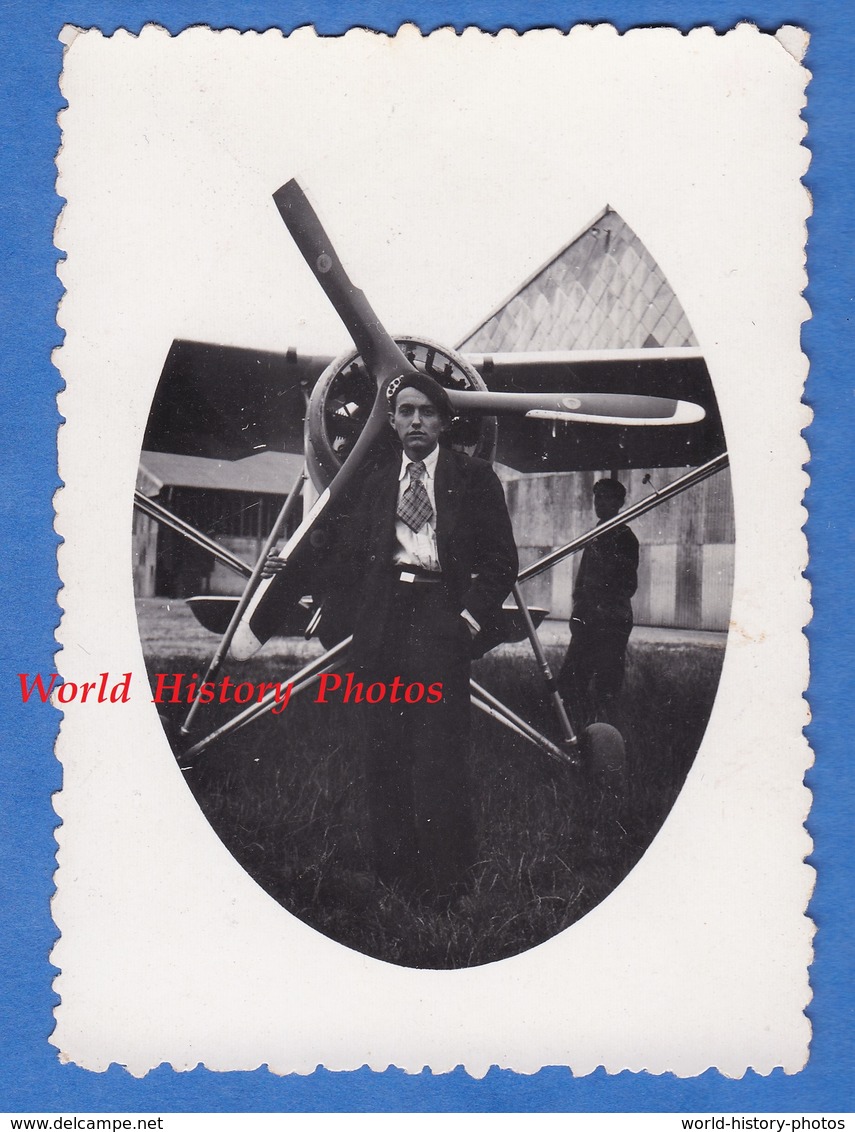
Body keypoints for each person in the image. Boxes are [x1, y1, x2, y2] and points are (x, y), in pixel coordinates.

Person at [316, 371, 518, 904]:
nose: (415, 422)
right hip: (383, 621)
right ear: (393, 420)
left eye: (426, 412)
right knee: (384, 748)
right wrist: (288, 568)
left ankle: (448, 881)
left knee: (439, 751)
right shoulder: (375, 477)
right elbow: (343, 551)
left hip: (439, 618)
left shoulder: (474, 477)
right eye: (405, 412)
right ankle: (392, 874)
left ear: (444, 420)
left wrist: (468, 621)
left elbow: (502, 561)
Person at [557, 477, 638, 730]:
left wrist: (603, 608)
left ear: (619, 502)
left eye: (606, 497)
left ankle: (605, 727)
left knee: (608, 676)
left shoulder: (625, 537)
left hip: (611, 619)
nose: (599, 502)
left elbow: (627, 584)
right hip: (588, 616)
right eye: (596, 497)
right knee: (573, 675)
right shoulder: (596, 533)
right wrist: (578, 608)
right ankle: (573, 724)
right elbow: (583, 578)